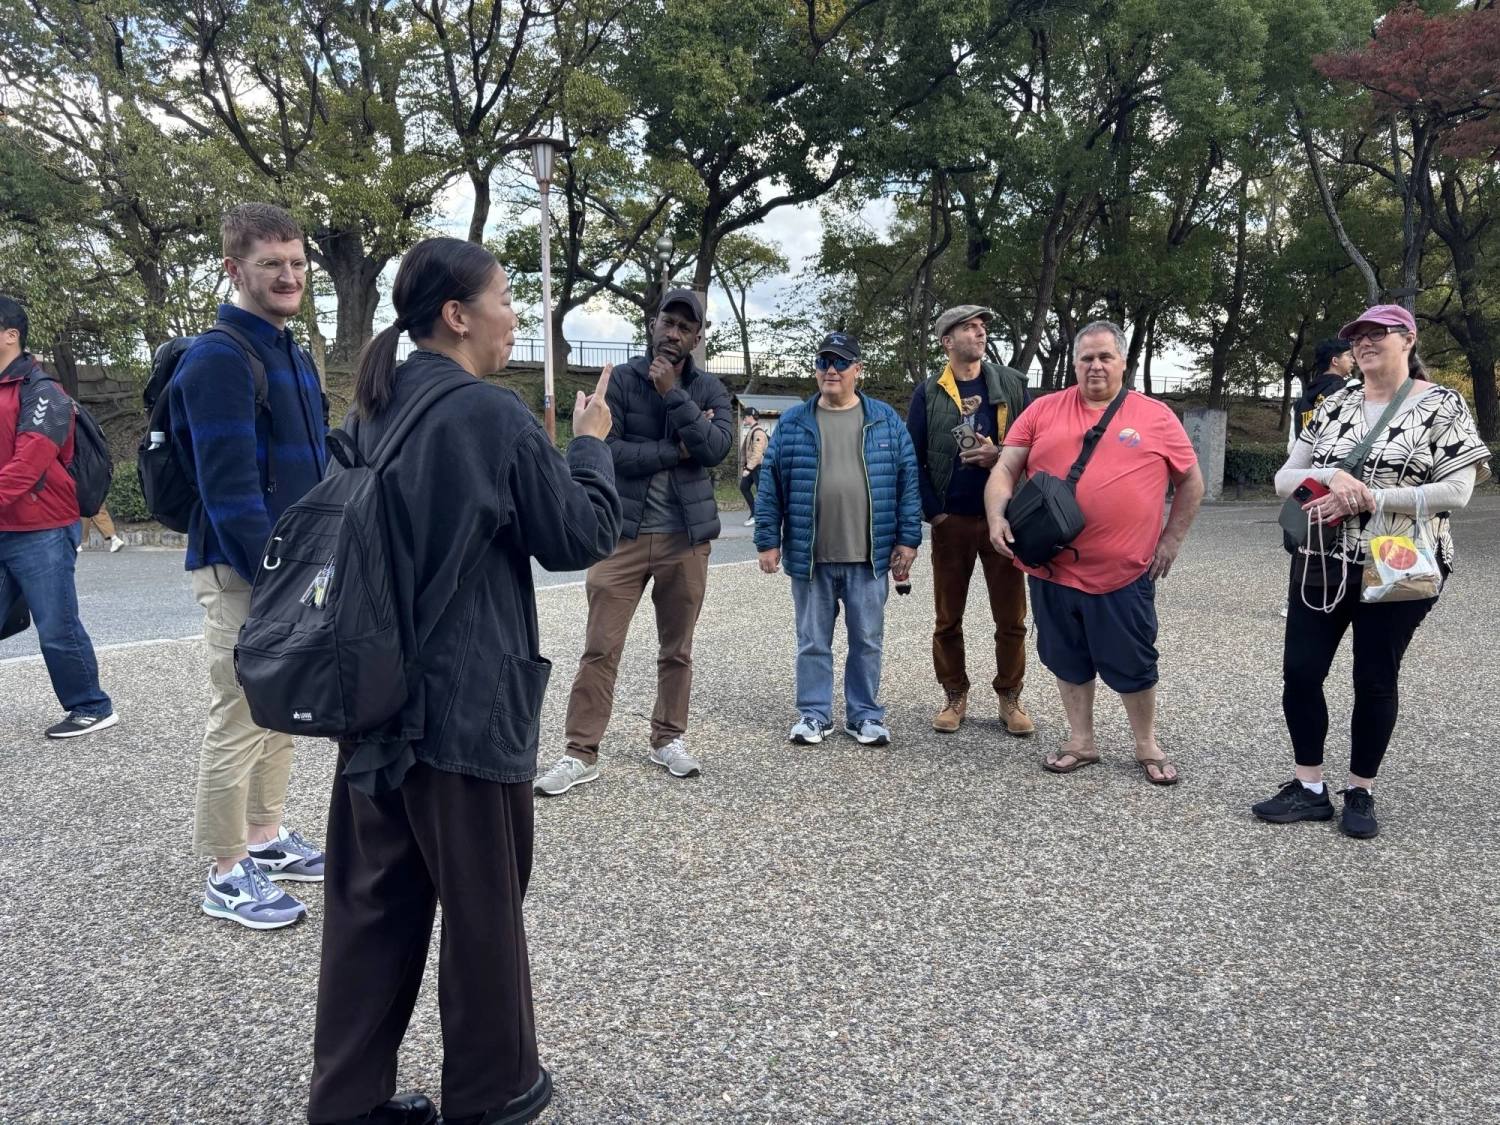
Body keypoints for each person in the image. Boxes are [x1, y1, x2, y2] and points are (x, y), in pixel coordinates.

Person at [307, 237, 621, 1125]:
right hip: (465, 707)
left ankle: (347, 1099)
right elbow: (578, 535)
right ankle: (492, 1091)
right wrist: (590, 445)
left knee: (372, 906)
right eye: (505, 298)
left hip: (370, 700)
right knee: (481, 909)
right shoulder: (490, 414)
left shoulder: (374, 403)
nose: (515, 315)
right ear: (456, 314)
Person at [1253, 304, 1489, 839]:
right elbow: (1285, 478)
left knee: (1375, 678)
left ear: (1408, 339)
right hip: (1323, 557)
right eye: (1356, 336)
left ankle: (1360, 788)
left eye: (1377, 332)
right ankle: (1309, 786)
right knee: (1301, 671)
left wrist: (1370, 498)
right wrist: (1331, 476)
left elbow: (1458, 491)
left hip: (1399, 561)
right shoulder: (1336, 404)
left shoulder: (1442, 404)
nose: (1363, 342)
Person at [170, 204, 330, 929]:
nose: (289, 276)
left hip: (294, 568)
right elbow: (229, 493)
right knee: (238, 713)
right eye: (272, 264)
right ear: (234, 269)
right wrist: (280, 584)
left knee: (280, 708)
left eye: (297, 263)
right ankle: (225, 870)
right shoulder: (218, 359)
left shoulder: (290, 351)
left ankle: (265, 837)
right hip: (244, 572)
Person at [985, 320, 1205, 785]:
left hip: (1121, 572)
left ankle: (1146, 743)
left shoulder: (1156, 416)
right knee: (1066, 656)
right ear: (1075, 364)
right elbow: (1005, 468)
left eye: (1106, 357)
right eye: (1086, 358)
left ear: (1124, 363)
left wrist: (1171, 540)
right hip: (1050, 567)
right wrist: (997, 516)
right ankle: (1080, 740)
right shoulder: (1043, 410)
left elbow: (1191, 481)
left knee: (1134, 660)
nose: (1096, 366)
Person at [534, 288, 733, 797]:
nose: (674, 333)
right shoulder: (620, 381)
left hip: (685, 539)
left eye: (685, 327)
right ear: (652, 323)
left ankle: (668, 738)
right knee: (600, 647)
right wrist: (676, 449)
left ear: (697, 338)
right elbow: (610, 451)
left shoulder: (710, 388)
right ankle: (580, 751)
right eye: (668, 322)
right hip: (620, 536)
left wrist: (673, 395)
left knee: (677, 649)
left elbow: (715, 449)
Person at [755, 331, 922, 747]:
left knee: (867, 640)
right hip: (810, 555)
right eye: (824, 361)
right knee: (812, 641)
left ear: (858, 370)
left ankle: (864, 716)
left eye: (841, 362)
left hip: (869, 557)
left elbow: (908, 485)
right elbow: (770, 485)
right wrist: (767, 540)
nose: (831, 369)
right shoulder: (794, 422)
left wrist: (908, 539)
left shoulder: (885, 420)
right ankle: (814, 715)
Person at [906, 304, 1033, 735]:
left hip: (1005, 520)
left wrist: (1000, 455)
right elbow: (912, 458)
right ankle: (954, 693)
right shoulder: (928, 392)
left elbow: (1036, 444)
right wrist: (935, 514)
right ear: (947, 341)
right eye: (969, 328)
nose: (980, 334)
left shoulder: (1012, 384)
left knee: (1012, 618)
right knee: (947, 618)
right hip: (952, 521)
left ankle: (1010, 696)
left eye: (982, 328)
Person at [0, 293, 117, 738]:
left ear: (11, 335)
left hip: (43, 527)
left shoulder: (44, 392)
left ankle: (92, 705)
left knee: (56, 624)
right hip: (4, 522)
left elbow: (28, 465)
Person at [1288, 337, 1355, 453]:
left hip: (1305, 463)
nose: (1353, 360)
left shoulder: (1298, 404)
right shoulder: (1349, 390)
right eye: (1349, 355)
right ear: (1335, 361)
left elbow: (1292, 448)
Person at [739, 406, 768, 525]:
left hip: (758, 467)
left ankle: (762, 517)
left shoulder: (758, 432)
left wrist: (748, 468)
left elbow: (757, 453)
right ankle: (755, 514)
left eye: (745, 417)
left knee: (761, 493)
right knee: (744, 487)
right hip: (752, 467)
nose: (744, 419)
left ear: (751, 417)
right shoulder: (753, 430)